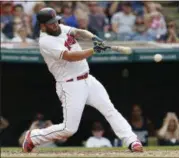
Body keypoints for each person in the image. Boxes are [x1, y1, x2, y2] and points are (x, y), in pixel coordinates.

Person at [22, 7, 143, 153]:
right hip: (70, 85)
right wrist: (94, 50)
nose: (55, 25)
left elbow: (79, 32)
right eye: (51, 23)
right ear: (42, 25)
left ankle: (132, 140)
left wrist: (94, 39)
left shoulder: (59, 28)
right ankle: (34, 137)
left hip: (88, 79)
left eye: (56, 21)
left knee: (110, 110)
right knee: (69, 129)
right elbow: (70, 56)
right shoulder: (46, 41)